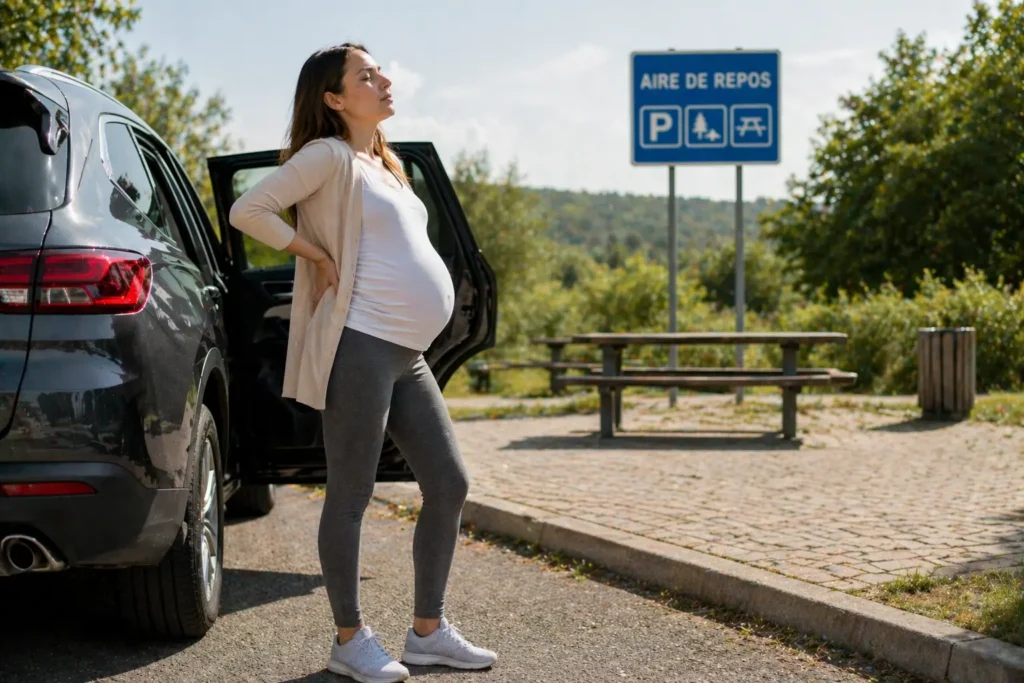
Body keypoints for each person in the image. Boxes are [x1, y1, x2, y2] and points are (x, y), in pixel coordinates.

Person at [229, 43, 497, 683]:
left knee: (449, 483)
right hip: (361, 341)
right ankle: (349, 640)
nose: (382, 80)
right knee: (351, 495)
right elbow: (249, 210)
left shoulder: (384, 162)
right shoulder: (326, 156)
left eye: (380, 70)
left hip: (407, 354)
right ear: (334, 98)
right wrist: (315, 256)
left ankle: (427, 633)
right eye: (365, 75)